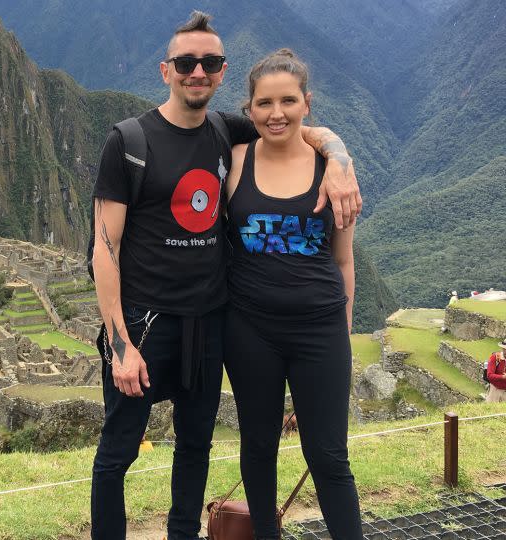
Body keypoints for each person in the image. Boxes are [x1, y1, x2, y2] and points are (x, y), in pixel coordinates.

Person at [90, 11, 360, 540]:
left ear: (221, 70)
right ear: (166, 70)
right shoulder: (128, 141)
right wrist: (119, 342)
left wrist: (340, 156)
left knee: (197, 446)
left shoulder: (224, 132)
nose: (198, 71)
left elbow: (293, 126)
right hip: (148, 321)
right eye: (186, 62)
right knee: (118, 450)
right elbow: (104, 248)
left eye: (209, 62)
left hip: (211, 321)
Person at [222, 49, 362, 539]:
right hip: (249, 328)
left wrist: (342, 334)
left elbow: (343, 260)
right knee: (258, 446)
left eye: (287, 100)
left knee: (327, 454)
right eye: (263, 103)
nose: (275, 113)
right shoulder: (236, 161)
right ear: (249, 109)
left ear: (307, 102)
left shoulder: (335, 171)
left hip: (320, 328)